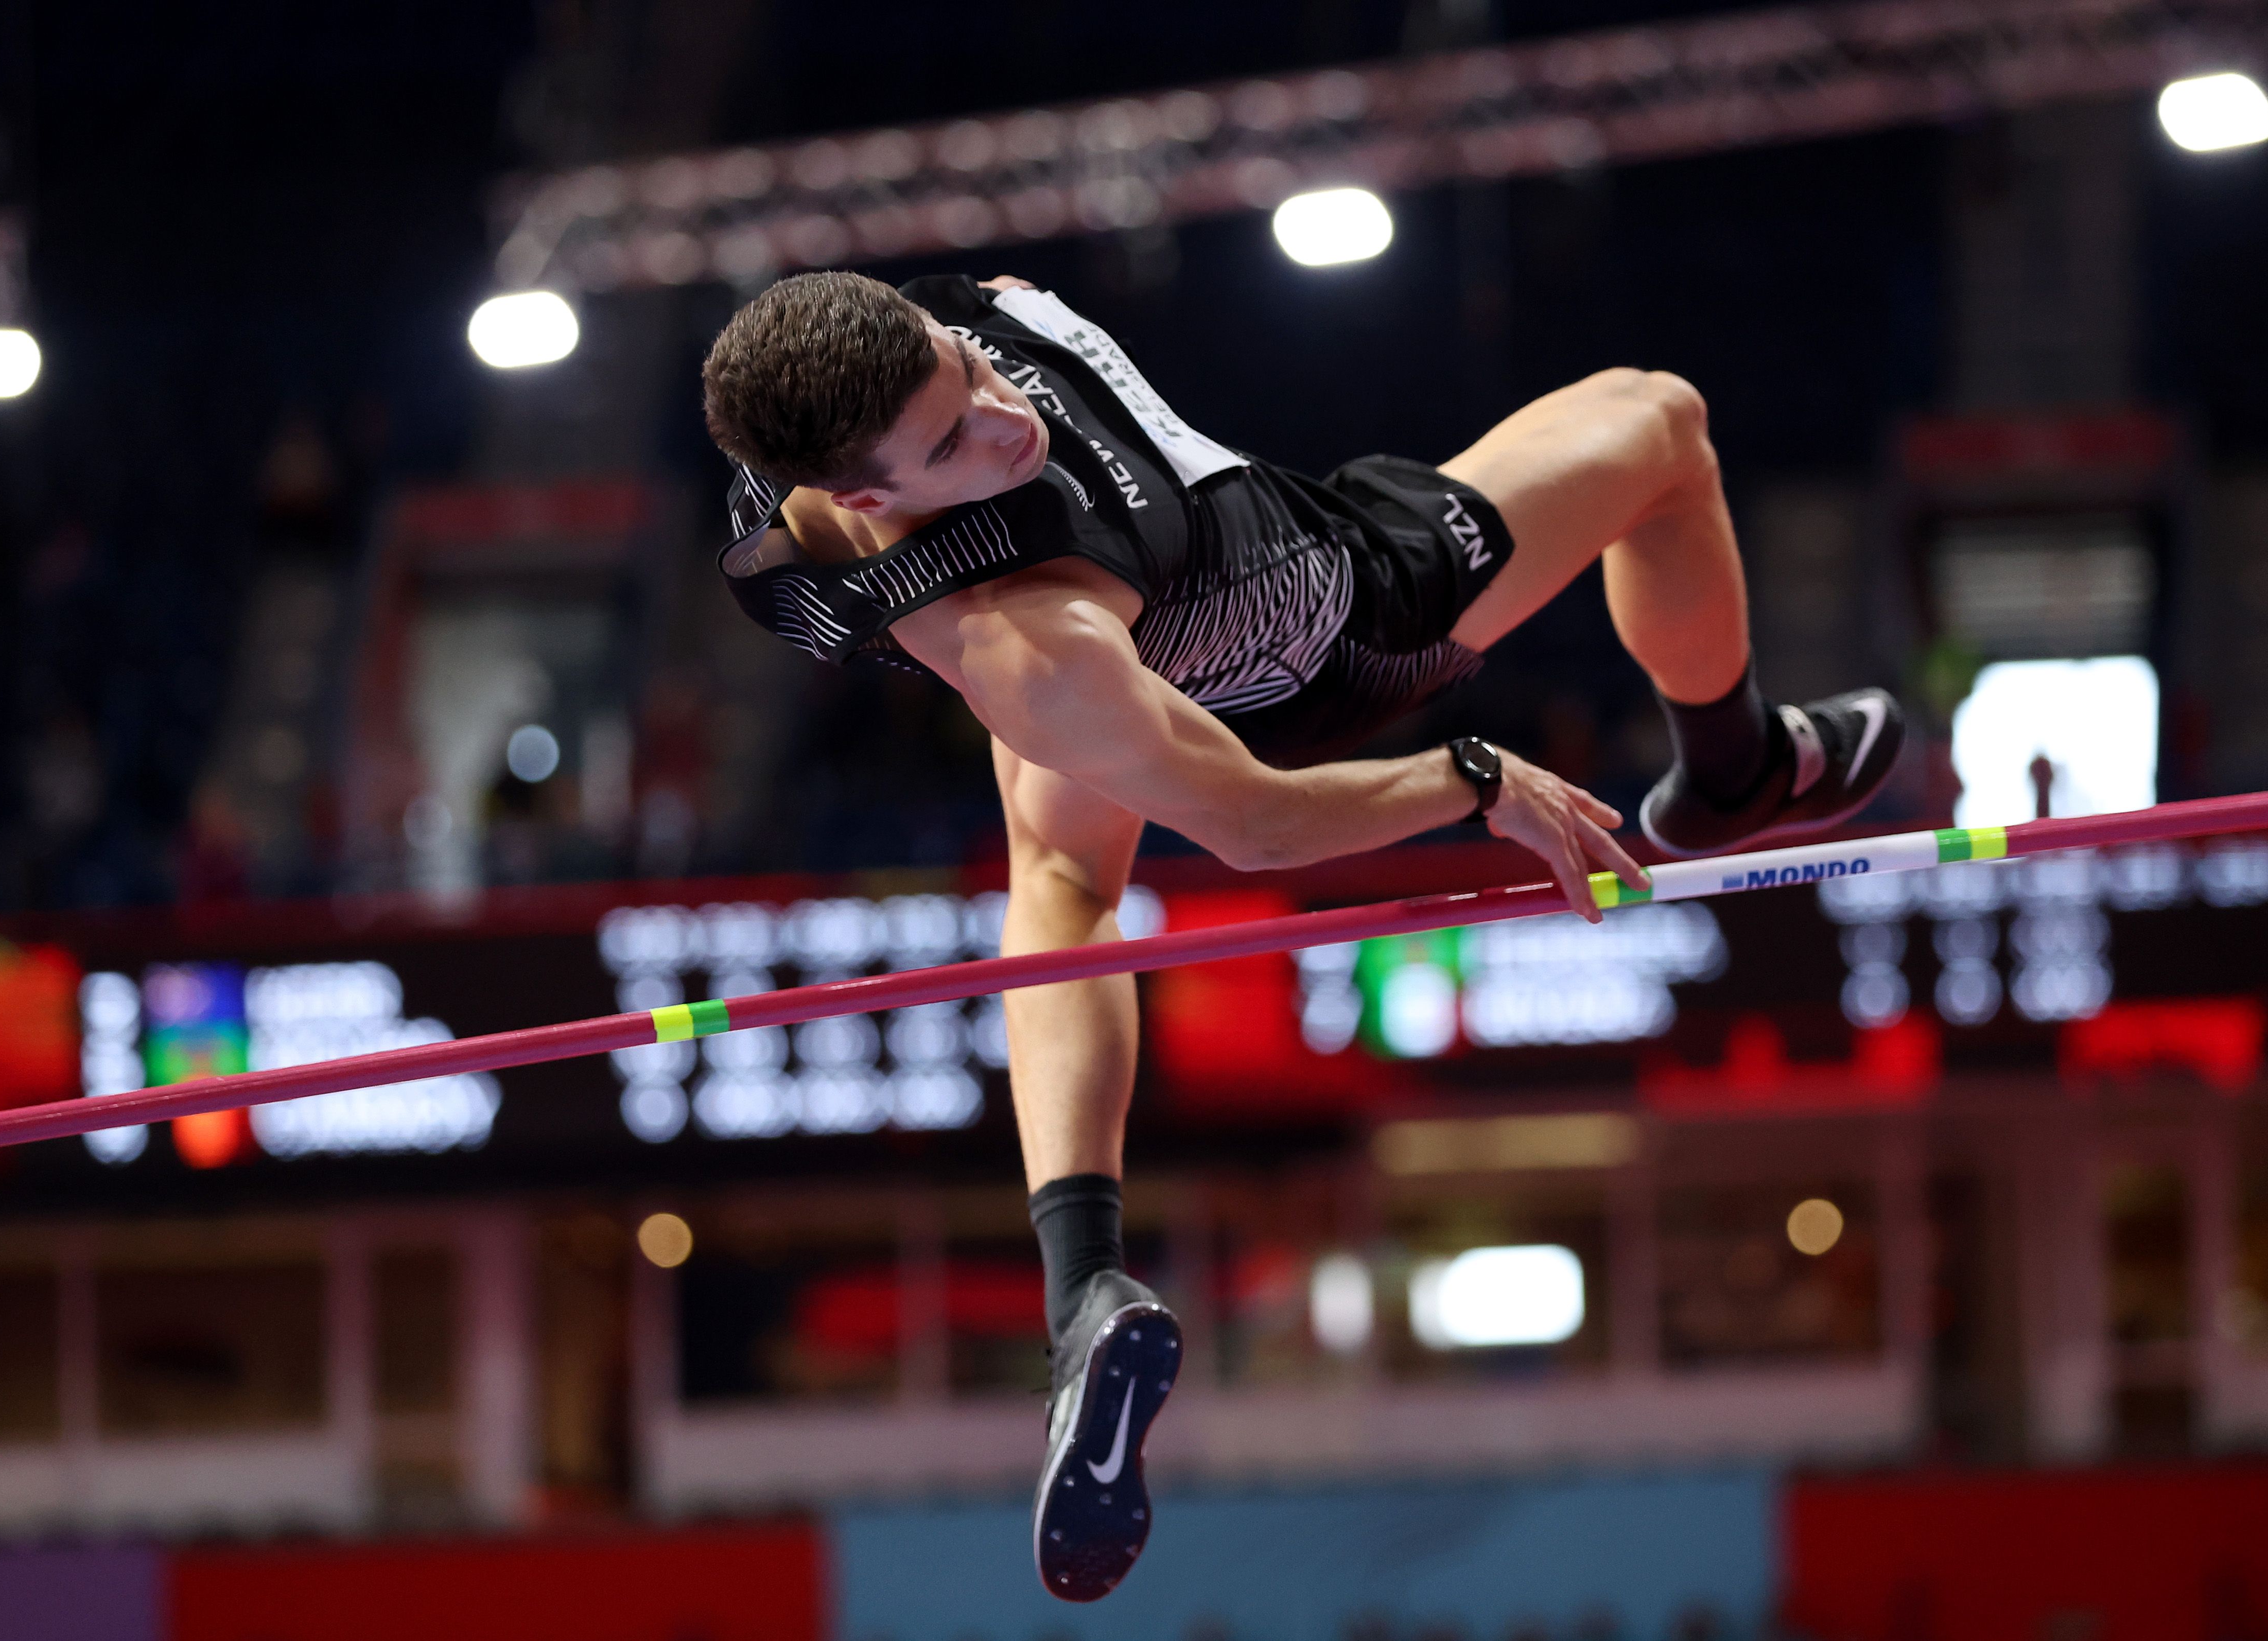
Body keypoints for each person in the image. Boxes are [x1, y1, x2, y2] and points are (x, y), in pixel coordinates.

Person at [698, 270, 1903, 1601]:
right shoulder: (1032, 649)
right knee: (1661, 422)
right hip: (1331, 619)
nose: (1005, 419)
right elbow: (1259, 829)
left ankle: (1083, 1293)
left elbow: (913, 426)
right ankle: (1736, 771)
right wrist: (1474, 780)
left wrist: (961, 377)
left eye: (968, 370)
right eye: (954, 443)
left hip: (1161, 600)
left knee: (1057, 880)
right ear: (869, 499)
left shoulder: (805, 443)